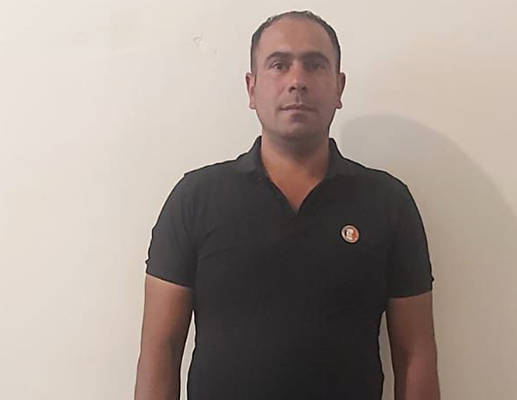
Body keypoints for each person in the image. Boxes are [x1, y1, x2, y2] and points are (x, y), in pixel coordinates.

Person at [134, 10, 440, 400]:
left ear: (339, 87)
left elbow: (415, 353)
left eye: (315, 65)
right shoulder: (195, 199)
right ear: (251, 88)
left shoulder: (388, 203)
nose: (297, 81)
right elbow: (160, 351)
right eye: (279, 65)